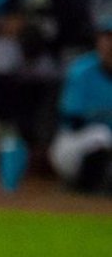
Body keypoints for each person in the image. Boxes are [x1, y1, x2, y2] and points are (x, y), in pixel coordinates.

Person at [48, 19, 112, 194]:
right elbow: (74, 120)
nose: (110, 44)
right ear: (99, 40)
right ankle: (86, 192)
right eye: (107, 37)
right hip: (74, 145)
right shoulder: (81, 70)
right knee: (101, 135)